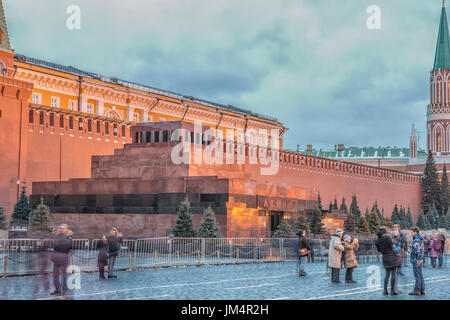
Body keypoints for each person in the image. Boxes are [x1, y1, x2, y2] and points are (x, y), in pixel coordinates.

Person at [50, 224, 73, 296]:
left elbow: (70, 246)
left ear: (67, 229)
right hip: (58, 256)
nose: (61, 229)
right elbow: (54, 245)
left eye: (63, 228)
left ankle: (63, 289)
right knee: (55, 274)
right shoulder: (63, 237)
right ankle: (58, 290)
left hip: (63, 256)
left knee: (64, 274)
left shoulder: (69, 237)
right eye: (60, 228)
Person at [375, 228, 399, 296]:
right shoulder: (387, 238)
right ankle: (392, 291)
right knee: (393, 274)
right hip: (391, 256)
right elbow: (392, 246)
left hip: (384, 257)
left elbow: (379, 250)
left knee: (387, 274)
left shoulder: (377, 241)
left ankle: (385, 291)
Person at [409, 226, 425, 296]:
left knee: (417, 275)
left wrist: (411, 252)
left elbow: (416, 250)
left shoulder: (416, 239)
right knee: (420, 274)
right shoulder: (420, 238)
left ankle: (417, 290)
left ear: (415, 232)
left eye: (411, 232)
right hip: (420, 259)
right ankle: (422, 289)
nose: (411, 233)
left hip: (416, 259)